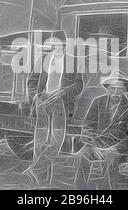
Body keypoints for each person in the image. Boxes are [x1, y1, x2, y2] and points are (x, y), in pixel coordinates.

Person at [25, 35, 83, 187]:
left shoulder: (72, 62)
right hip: (43, 102)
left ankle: (36, 170)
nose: (57, 48)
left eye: (60, 45)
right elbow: (31, 81)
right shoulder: (43, 60)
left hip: (60, 104)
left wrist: (64, 92)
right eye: (54, 46)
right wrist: (36, 97)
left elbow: (79, 84)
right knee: (40, 142)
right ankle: (41, 183)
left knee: (56, 142)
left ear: (65, 46)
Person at [75, 75, 128, 190]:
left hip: (116, 147)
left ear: (124, 90)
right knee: (82, 156)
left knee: (109, 162)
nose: (116, 92)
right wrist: (93, 145)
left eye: (119, 89)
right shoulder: (98, 102)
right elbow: (88, 125)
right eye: (113, 88)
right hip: (96, 144)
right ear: (108, 89)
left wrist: (117, 148)